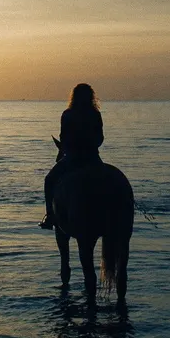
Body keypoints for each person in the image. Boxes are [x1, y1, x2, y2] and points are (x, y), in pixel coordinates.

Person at [40, 83, 104, 229]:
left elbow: (64, 138)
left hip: (73, 158)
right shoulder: (95, 114)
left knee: (49, 180)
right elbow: (100, 139)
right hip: (93, 158)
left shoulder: (68, 114)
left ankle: (50, 216)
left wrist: (70, 147)